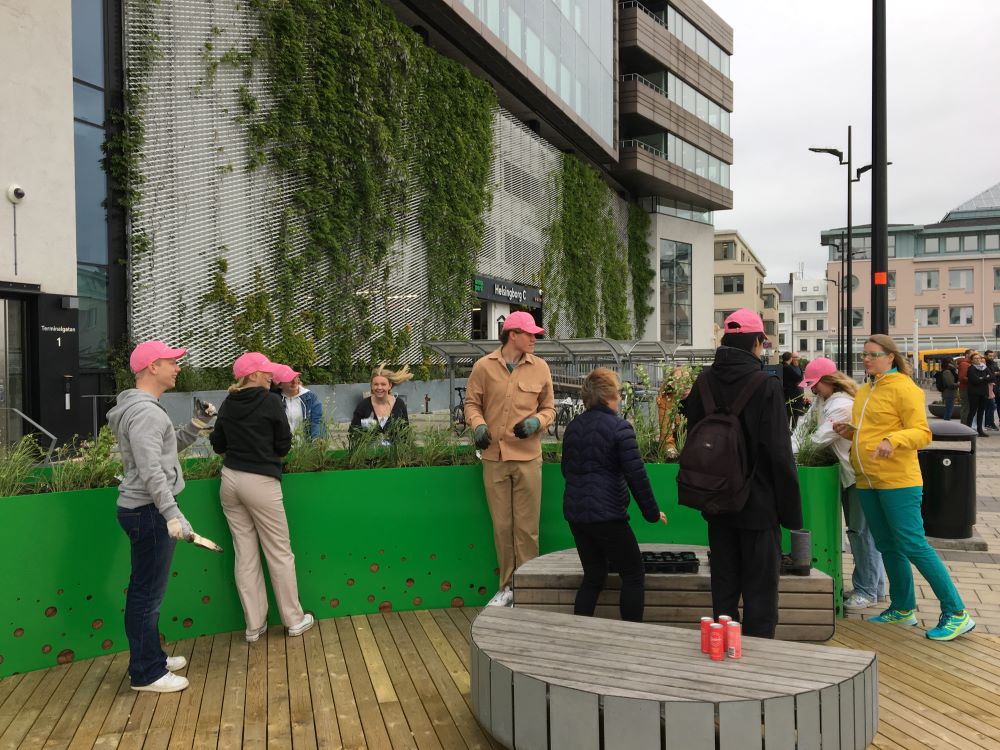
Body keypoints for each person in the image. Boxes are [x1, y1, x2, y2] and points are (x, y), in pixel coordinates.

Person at [833, 335, 975, 641]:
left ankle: (957, 613)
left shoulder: (905, 388)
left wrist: (892, 441)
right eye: (864, 355)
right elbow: (874, 429)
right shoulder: (867, 389)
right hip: (867, 480)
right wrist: (851, 432)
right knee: (887, 545)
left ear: (890, 357)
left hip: (898, 481)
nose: (866, 359)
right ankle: (902, 608)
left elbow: (922, 433)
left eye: (873, 355)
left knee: (914, 546)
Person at [681, 309, 803, 638]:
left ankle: (723, 647)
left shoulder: (703, 380)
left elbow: (694, 437)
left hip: (716, 501)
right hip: (758, 506)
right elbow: (779, 454)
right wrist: (791, 514)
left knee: (724, 583)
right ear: (755, 343)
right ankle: (758, 660)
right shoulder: (765, 384)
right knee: (761, 591)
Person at [107, 340, 216, 693]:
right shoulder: (147, 413)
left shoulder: (143, 408)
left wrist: (197, 425)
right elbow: (151, 469)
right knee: (147, 596)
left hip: (144, 510)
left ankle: (150, 655)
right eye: (172, 361)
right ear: (152, 366)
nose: (178, 367)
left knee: (146, 591)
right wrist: (173, 514)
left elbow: (163, 453)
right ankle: (146, 672)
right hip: (149, 512)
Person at [209, 352, 315, 643]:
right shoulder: (269, 401)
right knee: (279, 552)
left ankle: (254, 626)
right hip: (261, 481)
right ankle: (294, 620)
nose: (272, 377)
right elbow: (283, 444)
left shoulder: (229, 402)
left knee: (245, 554)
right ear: (253, 375)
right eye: (267, 372)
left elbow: (217, 442)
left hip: (230, 480)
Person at [464, 310, 555, 607]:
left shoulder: (541, 368)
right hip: (494, 457)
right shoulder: (483, 367)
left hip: (528, 458)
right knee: (502, 526)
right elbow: (471, 404)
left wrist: (537, 423)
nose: (535, 338)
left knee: (526, 528)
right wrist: (477, 425)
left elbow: (550, 409)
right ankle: (506, 587)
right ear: (512, 334)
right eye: (530, 334)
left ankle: (527, 589)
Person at [561, 368, 667, 621]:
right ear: (608, 396)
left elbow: (568, 470)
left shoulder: (573, 427)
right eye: (618, 393)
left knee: (593, 576)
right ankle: (629, 635)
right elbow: (636, 476)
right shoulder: (620, 428)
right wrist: (652, 514)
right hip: (608, 516)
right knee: (633, 574)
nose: (620, 398)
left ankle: (580, 631)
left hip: (577, 515)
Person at [792, 357, 886, 611]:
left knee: (860, 532)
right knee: (861, 532)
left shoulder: (842, 405)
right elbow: (804, 427)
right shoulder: (825, 400)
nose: (812, 389)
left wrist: (786, 452)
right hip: (851, 474)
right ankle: (875, 588)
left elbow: (818, 437)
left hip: (859, 476)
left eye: (815, 384)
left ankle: (866, 590)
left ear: (828, 381)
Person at [350, 362, 412, 443]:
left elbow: (405, 432)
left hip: (395, 454)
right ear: (371, 386)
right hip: (369, 454)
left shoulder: (399, 404)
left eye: (383, 384)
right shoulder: (363, 406)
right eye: (376, 384)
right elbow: (353, 432)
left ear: (389, 385)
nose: (379, 387)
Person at [273, 365, 324, 439]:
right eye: (289, 379)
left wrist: (315, 444)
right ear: (280, 385)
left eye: (295, 377)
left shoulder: (310, 398)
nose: (294, 382)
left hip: (305, 447)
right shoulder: (275, 400)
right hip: (283, 447)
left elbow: (316, 422)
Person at [964, 352, 995, 438]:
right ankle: (968, 430)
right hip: (974, 393)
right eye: (975, 358)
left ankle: (980, 430)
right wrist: (986, 378)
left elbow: (992, 377)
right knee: (972, 411)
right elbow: (975, 381)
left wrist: (982, 378)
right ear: (972, 360)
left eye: (979, 358)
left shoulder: (985, 368)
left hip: (984, 393)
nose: (978, 360)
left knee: (981, 412)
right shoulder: (971, 369)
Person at [781, 351, 807, 429]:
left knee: (796, 412)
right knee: (789, 412)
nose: (796, 359)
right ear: (791, 358)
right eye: (794, 357)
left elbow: (801, 378)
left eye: (797, 357)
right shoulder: (788, 367)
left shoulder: (799, 366)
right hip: (791, 394)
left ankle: (793, 428)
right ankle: (788, 429)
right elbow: (798, 378)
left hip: (798, 393)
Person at [957, 349, 974, 425]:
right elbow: (962, 377)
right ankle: (964, 425)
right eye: (973, 354)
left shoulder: (969, 364)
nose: (975, 356)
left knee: (967, 407)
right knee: (966, 408)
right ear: (967, 355)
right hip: (965, 388)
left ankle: (967, 424)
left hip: (968, 388)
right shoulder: (964, 364)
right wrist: (975, 379)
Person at [983, 350, 999, 430]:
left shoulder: (994, 363)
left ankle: (989, 423)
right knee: (991, 406)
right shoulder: (985, 364)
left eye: (993, 356)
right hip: (988, 388)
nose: (992, 357)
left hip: (995, 387)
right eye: (990, 356)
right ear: (985, 356)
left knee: (992, 406)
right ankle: (989, 423)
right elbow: (989, 374)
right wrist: (995, 373)